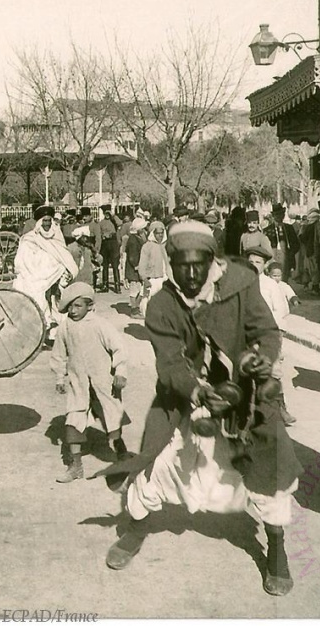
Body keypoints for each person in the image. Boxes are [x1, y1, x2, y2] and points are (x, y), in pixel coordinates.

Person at [98, 221, 300, 597]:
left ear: (213, 260)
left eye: (199, 265)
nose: (191, 275)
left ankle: (276, 547)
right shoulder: (160, 304)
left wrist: (261, 358)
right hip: (187, 402)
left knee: (266, 474)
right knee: (158, 467)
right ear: (169, 263)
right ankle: (136, 529)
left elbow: (267, 333)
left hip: (247, 399)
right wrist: (199, 392)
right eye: (181, 266)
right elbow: (170, 364)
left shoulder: (242, 286)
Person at [51, 282, 130, 483]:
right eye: (70, 306)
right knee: (73, 421)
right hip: (78, 383)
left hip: (103, 383)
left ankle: (121, 456)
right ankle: (75, 466)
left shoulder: (99, 325)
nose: (73, 310)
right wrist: (60, 377)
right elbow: (59, 354)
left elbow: (118, 348)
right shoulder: (65, 327)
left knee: (111, 420)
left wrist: (120, 372)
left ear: (89, 306)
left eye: (78, 306)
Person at [245, 247, 297, 427]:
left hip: (268, 335)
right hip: (247, 336)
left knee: (273, 371)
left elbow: (281, 311)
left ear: (265, 265)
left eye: (258, 262)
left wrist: (276, 337)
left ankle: (280, 408)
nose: (253, 265)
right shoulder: (242, 282)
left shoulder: (270, 285)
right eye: (250, 262)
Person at [13, 205, 78, 331]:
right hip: (35, 278)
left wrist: (65, 271)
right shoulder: (29, 239)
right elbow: (24, 262)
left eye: (49, 221)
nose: (47, 224)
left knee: (57, 302)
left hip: (56, 280)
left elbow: (64, 257)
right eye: (44, 221)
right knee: (38, 298)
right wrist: (47, 267)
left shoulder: (57, 236)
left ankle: (56, 332)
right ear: (39, 222)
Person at [137, 220, 170, 317]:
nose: (160, 235)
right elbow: (142, 264)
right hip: (152, 280)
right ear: (152, 233)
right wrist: (144, 279)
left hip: (165, 279)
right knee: (148, 306)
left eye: (162, 233)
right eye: (157, 233)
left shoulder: (167, 246)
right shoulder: (147, 247)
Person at [263, 203, 300, 283]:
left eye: (281, 214)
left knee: (284, 280)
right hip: (273, 257)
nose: (279, 216)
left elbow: (296, 244)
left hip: (286, 258)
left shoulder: (289, 228)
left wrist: (291, 253)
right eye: (276, 214)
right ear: (273, 216)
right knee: (273, 280)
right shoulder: (267, 230)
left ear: (283, 215)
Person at [123, 218, 147, 316]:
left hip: (137, 268)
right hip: (134, 269)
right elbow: (132, 256)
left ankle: (136, 307)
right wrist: (136, 266)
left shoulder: (137, 238)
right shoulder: (133, 240)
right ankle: (134, 309)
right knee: (134, 291)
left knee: (140, 290)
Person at [98, 205, 121, 293]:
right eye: (105, 213)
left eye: (108, 212)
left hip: (113, 243)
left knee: (115, 265)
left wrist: (113, 215)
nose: (107, 214)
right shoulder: (101, 222)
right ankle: (105, 285)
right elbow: (99, 233)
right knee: (105, 265)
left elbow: (120, 223)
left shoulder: (114, 221)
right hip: (105, 244)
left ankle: (117, 286)